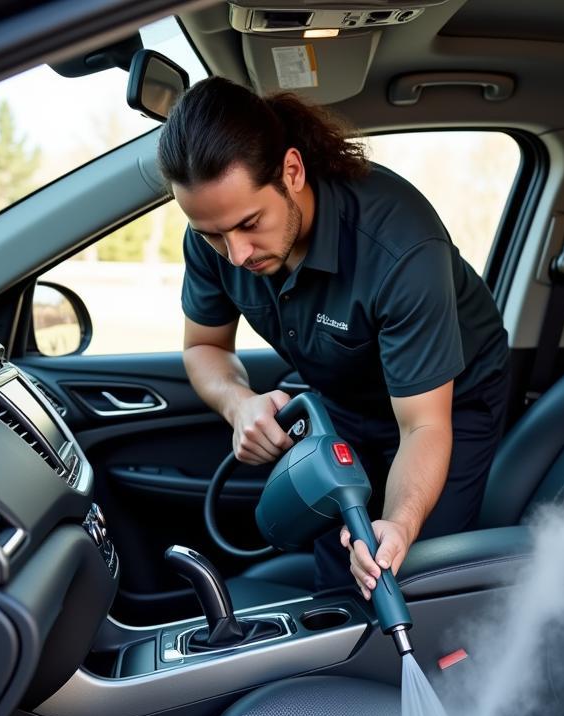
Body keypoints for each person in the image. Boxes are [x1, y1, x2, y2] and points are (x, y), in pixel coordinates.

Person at [157, 77, 509, 598]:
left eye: (251, 223)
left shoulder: (400, 248)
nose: (236, 254)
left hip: (445, 403)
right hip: (337, 401)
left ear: (292, 172)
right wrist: (239, 404)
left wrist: (400, 525)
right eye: (213, 235)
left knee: (407, 574)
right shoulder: (216, 236)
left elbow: (423, 427)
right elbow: (204, 347)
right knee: (338, 570)